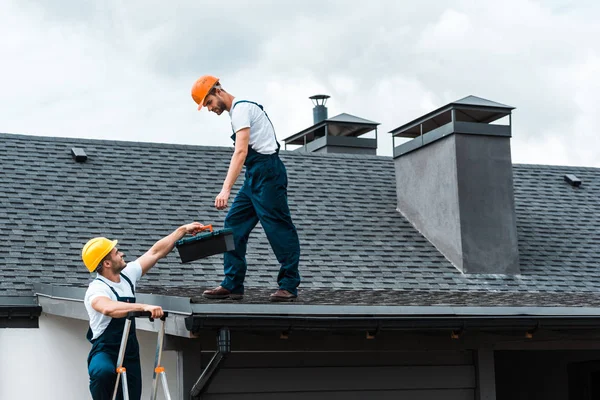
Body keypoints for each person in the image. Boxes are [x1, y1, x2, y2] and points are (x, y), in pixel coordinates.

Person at [191, 75, 301, 302]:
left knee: (278, 228)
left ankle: (289, 285)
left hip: (268, 174)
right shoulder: (237, 113)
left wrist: (225, 189)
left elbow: (240, 152)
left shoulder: (241, 110)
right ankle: (232, 284)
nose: (210, 109)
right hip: (255, 175)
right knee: (233, 224)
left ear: (218, 91)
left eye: (209, 103)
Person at [82, 222, 204, 400]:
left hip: (130, 350)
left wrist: (183, 230)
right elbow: (108, 308)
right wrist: (143, 306)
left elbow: (155, 252)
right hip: (105, 350)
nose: (121, 253)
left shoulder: (127, 275)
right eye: (116, 252)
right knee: (102, 372)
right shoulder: (97, 289)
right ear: (107, 263)